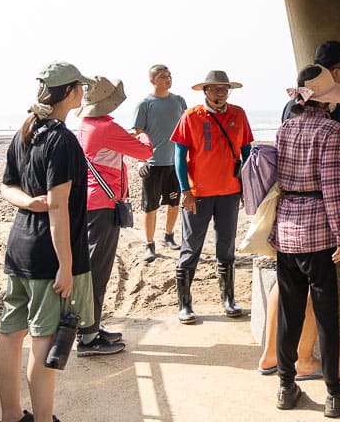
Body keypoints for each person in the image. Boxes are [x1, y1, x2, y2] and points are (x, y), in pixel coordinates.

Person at [0, 61, 95, 422]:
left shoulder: (26, 131)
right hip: (47, 253)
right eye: (80, 87)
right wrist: (66, 266)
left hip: (18, 246)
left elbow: (8, 187)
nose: (84, 93)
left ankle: (10, 416)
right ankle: (42, 418)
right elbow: (58, 208)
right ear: (68, 92)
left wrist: (28, 202)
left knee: (10, 332)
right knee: (43, 338)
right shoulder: (62, 139)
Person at [262, 39, 340, 374]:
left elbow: (278, 176)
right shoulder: (331, 128)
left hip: (286, 226)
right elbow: (333, 186)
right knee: (326, 314)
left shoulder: (286, 123)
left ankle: (284, 383)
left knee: (288, 304)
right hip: (318, 229)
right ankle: (331, 387)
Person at [77, 77, 153, 355]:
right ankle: (87, 337)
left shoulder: (87, 125)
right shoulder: (107, 127)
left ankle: (92, 327)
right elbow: (145, 150)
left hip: (90, 201)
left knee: (92, 268)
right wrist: (142, 133)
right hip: (103, 204)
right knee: (98, 270)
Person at [171, 70, 253, 324]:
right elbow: (179, 156)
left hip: (229, 191)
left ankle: (228, 300)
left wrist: (247, 188)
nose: (220, 93)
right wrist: (185, 190)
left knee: (226, 246)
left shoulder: (238, 114)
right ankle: (185, 305)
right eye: (215, 89)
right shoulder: (191, 116)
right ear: (205, 90)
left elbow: (248, 153)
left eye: (224, 89)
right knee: (191, 245)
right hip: (199, 193)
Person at [132, 64, 188, 263]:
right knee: (150, 207)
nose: (168, 79)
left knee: (174, 202)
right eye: (163, 76)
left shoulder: (179, 101)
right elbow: (137, 133)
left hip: (175, 163)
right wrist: (140, 160)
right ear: (152, 80)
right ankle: (149, 245)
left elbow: (186, 130)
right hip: (152, 164)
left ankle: (169, 236)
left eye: (169, 75)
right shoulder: (144, 104)